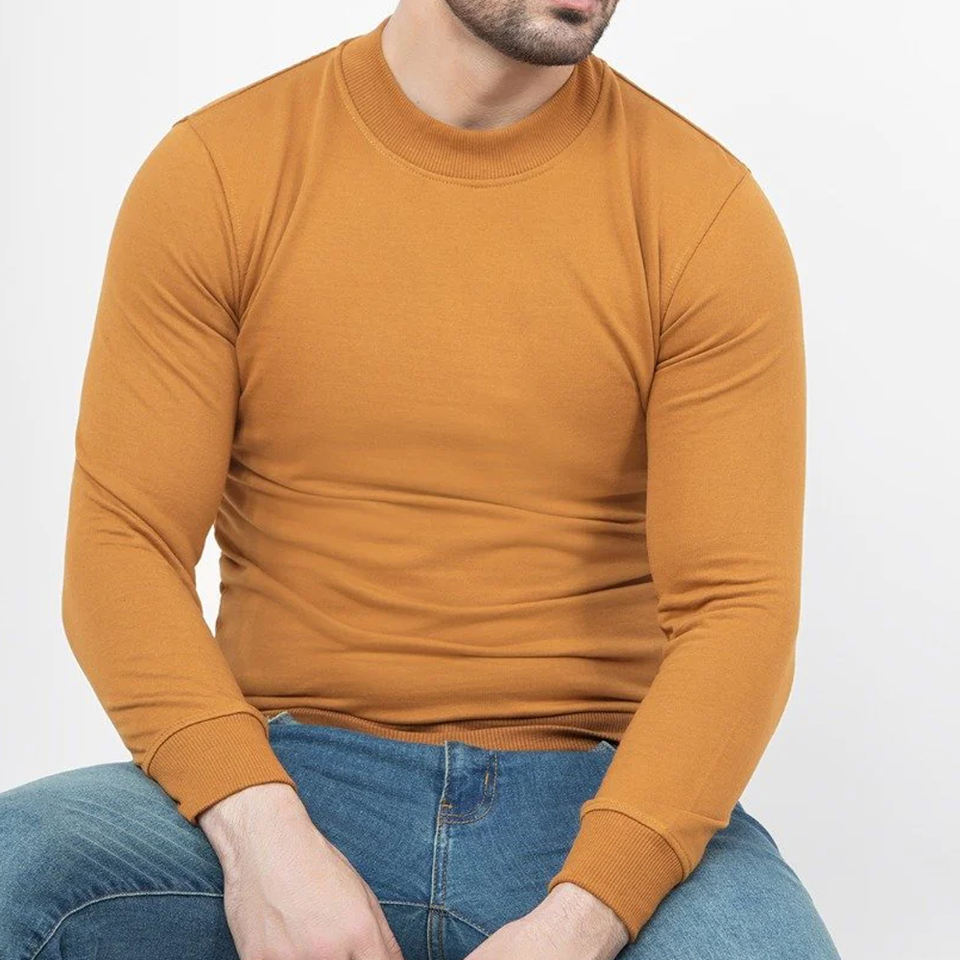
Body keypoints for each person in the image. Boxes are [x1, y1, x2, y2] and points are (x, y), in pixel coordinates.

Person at [0, 1, 843, 958]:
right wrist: (261, 834)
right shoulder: (220, 172)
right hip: (289, 775)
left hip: (595, 796)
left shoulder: (702, 210)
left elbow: (739, 610)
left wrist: (585, 917)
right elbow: (123, 550)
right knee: (17, 867)